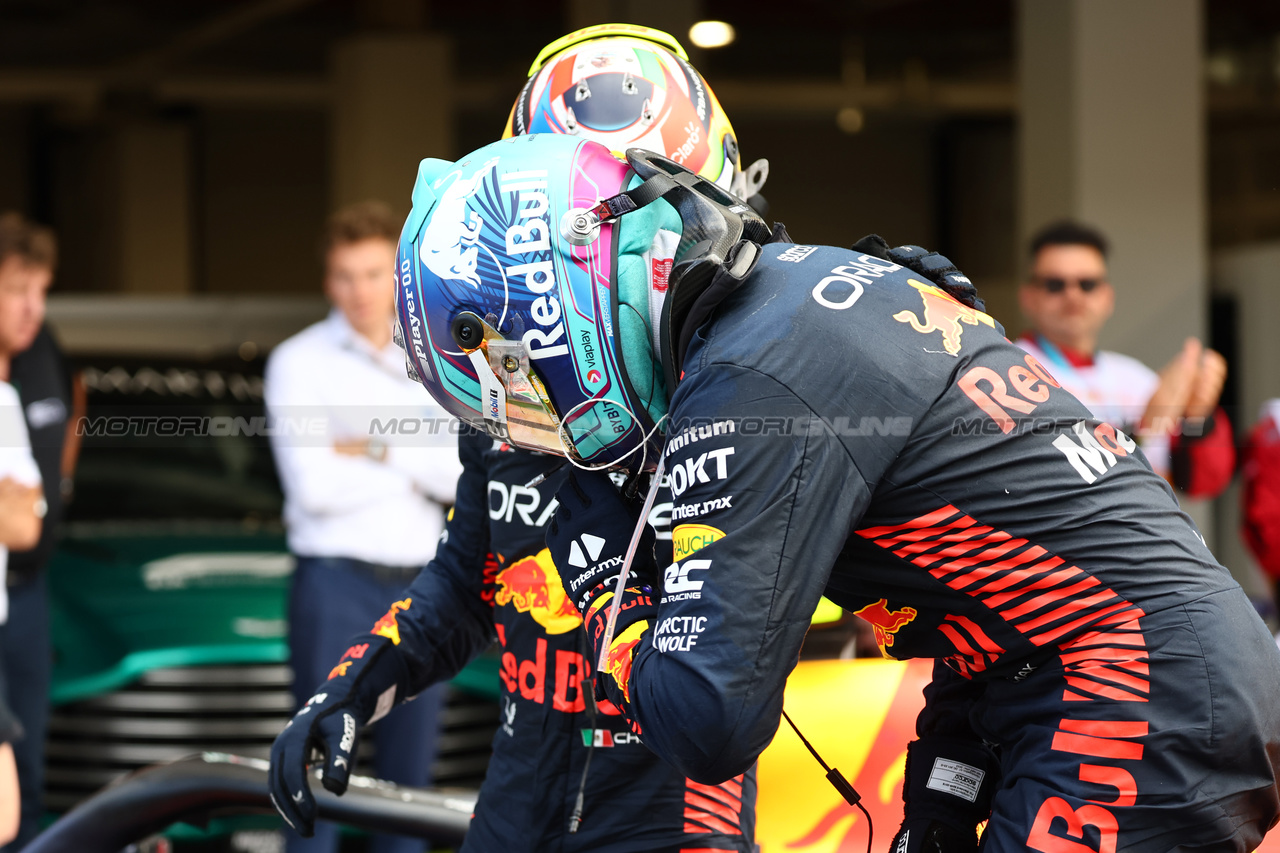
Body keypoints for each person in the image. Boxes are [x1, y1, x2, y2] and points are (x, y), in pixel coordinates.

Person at [395, 134, 1280, 852]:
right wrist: (943, 786)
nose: (527, 415)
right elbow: (991, 602)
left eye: (517, 375)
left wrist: (610, 598)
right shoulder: (792, 305)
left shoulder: (748, 380)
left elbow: (709, 719)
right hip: (1113, 673)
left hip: (1130, 685)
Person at [269, 26, 762, 853]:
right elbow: (465, 585)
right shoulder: (508, 391)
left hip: (672, 811)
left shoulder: (745, 385)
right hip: (518, 796)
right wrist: (349, 691)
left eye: (623, 229)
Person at [264, 200, 461, 853]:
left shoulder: (434, 354)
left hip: (422, 591)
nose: (361, 291)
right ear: (328, 281)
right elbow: (315, 488)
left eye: (375, 274)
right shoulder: (299, 362)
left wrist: (370, 443)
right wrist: (414, 455)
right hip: (334, 585)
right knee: (316, 777)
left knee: (407, 793)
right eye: (346, 276)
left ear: (398, 274)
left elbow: (460, 476)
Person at [1017, 220, 1235, 498]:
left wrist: (1199, 419)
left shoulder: (1136, 377)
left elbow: (1200, 484)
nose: (1072, 295)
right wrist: (1143, 427)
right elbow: (1045, 476)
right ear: (1028, 297)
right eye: (1054, 284)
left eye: (1087, 284)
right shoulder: (1006, 370)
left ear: (1107, 297)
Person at [0, 212, 70, 852]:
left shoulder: (40, 351)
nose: (33, 308)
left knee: (26, 775)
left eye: (42, 290)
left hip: (26, 594)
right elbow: (15, 513)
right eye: (18, 290)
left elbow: (26, 516)